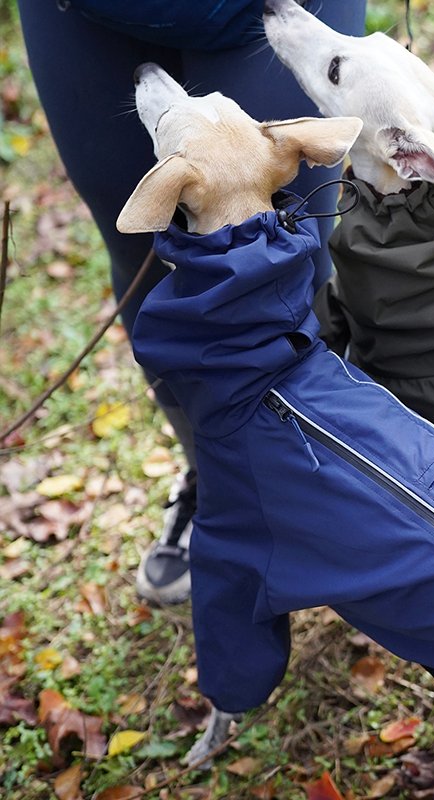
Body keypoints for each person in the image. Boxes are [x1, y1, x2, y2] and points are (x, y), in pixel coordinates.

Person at [17, 0, 367, 604]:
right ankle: (219, 478)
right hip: (86, 14)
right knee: (146, 258)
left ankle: (326, 485)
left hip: (258, 10)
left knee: (295, 259)